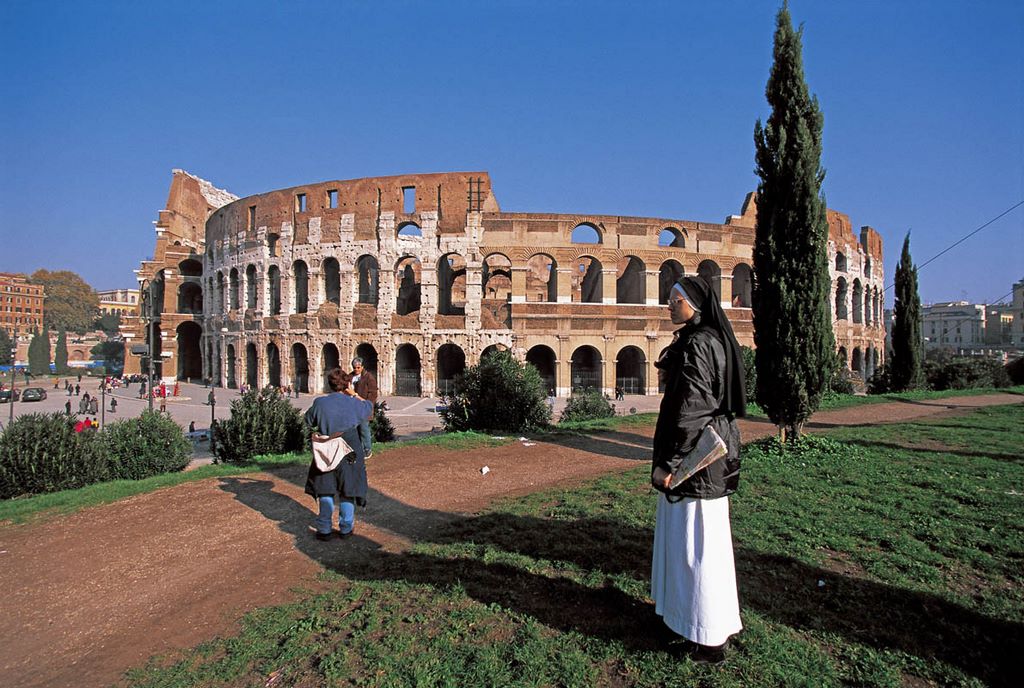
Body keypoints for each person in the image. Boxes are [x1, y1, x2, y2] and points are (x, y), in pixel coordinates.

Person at [650, 276, 746, 664]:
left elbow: (690, 409)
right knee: (695, 544)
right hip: (708, 451)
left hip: (695, 458)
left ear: (695, 303)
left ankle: (708, 638)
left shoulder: (698, 344)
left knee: (697, 547)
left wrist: (671, 464)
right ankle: (693, 625)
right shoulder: (708, 338)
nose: (669, 305)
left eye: (675, 300)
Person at [304, 368, 372, 541]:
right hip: (349, 450)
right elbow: (369, 409)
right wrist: (354, 394)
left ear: (330, 385)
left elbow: (308, 421)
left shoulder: (320, 403)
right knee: (348, 489)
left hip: (326, 449)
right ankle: (345, 528)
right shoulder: (353, 402)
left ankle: (324, 529)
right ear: (347, 384)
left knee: (325, 488)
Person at [350, 357, 378, 458]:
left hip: (363, 406)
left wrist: (368, 404)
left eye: (358, 367)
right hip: (352, 407)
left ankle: (367, 449)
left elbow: (373, 393)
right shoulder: (350, 377)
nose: (356, 369)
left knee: (363, 428)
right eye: (354, 367)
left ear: (362, 367)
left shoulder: (368, 377)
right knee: (353, 429)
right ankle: (356, 449)